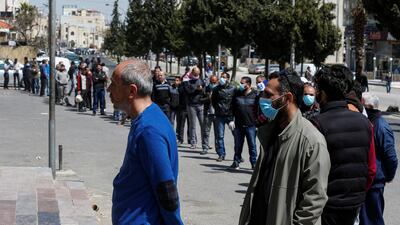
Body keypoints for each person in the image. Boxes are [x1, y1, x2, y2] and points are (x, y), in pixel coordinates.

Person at [239, 73, 331, 225]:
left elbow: (315, 199)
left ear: (287, 98)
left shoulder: (311, 141)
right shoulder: (270, 131)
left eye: (269, 95)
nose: (262, 98)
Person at [110, 59, 183, 225]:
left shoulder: (149, 130)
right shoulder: (145, 119)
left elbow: (166, 190)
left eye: (113, 84)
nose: (109, 89)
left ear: (131, 91)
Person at [312, 65, 376, 225]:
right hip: (355, 201)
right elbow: (371, 169)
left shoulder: (317, 124)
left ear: (324, 94)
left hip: (329, 203)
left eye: (318, 90)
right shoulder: (365, 123)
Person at [359, 93, 398, 225]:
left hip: (375, 183)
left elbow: (391, 157)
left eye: (364, 107)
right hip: (366, 181)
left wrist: (387, 176)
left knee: (373, 219)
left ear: (370, 107)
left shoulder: (381, 126)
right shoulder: (368, 123)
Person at [230, 76, 258, 169]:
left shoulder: (255, 95)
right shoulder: (237, 94)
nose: (240, 85)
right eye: (240, 83)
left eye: (243, 83)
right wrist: (231, 120)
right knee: (237, 145)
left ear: (248, 85)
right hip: (238, 125)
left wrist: (258, 123)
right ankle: (236, 162)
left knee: (252, 146)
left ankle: (254, 163)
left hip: (251, 125)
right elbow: (232, 108)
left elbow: (259, 110)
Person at [211, 72, 236, 161]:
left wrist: (233, 115)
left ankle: (238, 155)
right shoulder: (216, 89)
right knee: (220, 136)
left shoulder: (233, 89)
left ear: (228, 79)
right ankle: (221, 154)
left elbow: (235, 102)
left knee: (236, 135)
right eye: (221, 77)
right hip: (219, 115)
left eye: (224, 77)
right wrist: (218, 109)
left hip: (230, 116)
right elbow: (213, 101)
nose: (222, 78)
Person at [184, 67, 206, 149]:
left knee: (203, 124)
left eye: (198, 74)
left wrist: (202, 90)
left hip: (200, 105)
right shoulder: (187, 80)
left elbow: (204, 90)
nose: (197, 75)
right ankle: (193, 142)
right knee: (192, 125)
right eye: (195, 73)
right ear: (192, 73)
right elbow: (187, 91)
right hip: (191, 105)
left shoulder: (201, 80)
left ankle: (205, 142)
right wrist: (196, 89)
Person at [200, 75, 218, 155]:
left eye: (214, 82)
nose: (213, 83)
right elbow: (200, 100)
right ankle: (205, 147)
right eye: (211, 81)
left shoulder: (219, 90)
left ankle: (218, 149)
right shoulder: (206, 88)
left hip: (217, 114)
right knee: (206, 132)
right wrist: (208, 98)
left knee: (218, 133)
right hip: (208, 113)